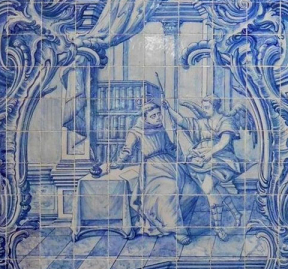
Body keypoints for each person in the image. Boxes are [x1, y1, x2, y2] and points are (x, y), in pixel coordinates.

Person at [104, 101, 198, 245]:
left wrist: (183, 158)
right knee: (169, 191)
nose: (158, 118)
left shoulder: (160, 128)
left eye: (159, 114)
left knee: (191, 189)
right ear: (144, 118)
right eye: (153, 116)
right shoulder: (135, 132)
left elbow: (170, 147)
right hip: (153, 168)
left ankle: (170, 223)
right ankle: (178, 230)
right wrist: (117, 163)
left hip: (170, 164)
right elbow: (126, 151)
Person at [162, 95, 243, 241]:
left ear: (215, 106)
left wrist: (209, 154)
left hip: (220, 159)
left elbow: (223, 143)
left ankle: (218, 227)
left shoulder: (226, 121)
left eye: (207, 107)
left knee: (208, 189)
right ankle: (236, 214)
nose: (204, 110)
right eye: (203, 107)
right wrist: (168, 109)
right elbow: (181, 121)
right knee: (214, 189)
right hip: (200, 161)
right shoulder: (202, 122)